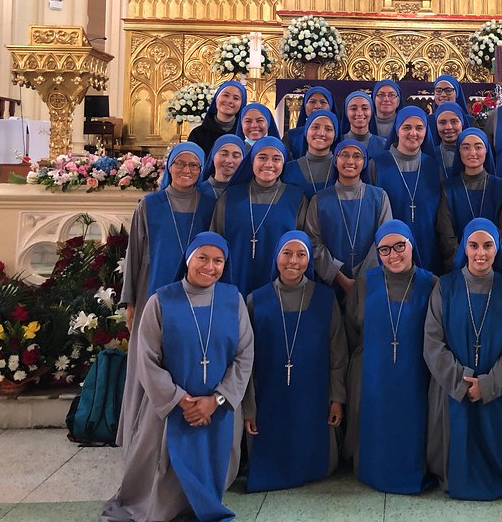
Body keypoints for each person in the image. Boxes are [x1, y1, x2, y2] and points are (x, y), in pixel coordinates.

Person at [101, 232, 253, 522]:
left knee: (212, 468)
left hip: (218, 410)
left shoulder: (233, 300)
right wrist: (180, 400)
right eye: (203, 258)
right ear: (188, 259)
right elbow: (146, 358)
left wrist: (216, 399)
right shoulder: (161, 301)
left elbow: (244, 355)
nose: (210, 266)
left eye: (218, 260)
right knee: (163, 476)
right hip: (170, 409)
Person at [118, 142, 217, 454]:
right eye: (180, 164)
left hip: (197, 295)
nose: (186, 171)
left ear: (202, 170)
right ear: (169, 166)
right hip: (153, 291)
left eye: (194, 166)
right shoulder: (149, 204)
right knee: (150, 363)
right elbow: (134, 254)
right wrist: (131, 301)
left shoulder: (209, 202)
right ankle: (142, 436)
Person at [424, 219, 502, 500]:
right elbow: (432, 342)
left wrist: (489, 383)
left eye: (488, 246)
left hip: (494, 386)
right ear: (464, 249)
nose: (481, 253)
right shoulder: (445, 286)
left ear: (497, 249)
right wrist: (461, 380)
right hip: (451, 388)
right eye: (473, 245)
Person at [243, 230, 346, 492]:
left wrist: (337, 398)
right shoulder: (256, 299)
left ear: (309, 260)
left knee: (314, 452)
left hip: (313, 394)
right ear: (275, 257)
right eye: (286, 253)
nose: (293, 261)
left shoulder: (326, 298)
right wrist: (249, 408)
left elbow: (338, 352)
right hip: (269, 394)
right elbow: (246, 360)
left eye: (301, 255)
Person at [344, 221, 437, 493]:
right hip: (375, 372)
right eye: (384, 249)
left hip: (415, 373)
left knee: (412, 427)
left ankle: (413, 472)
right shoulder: (366, 282)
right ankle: (373, 471)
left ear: (411, 246)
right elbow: (353, 325)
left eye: (399, 246)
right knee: (376, 427)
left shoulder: (431, 283)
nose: (393, 255)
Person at [211, 137, 308, 297]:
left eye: (276, 159)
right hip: (233, 280)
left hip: (281, 283)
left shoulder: (297, 198)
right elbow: (215, 242)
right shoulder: (230, 197)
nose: (269, 164)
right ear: (252, 161)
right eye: (262, 158)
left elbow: (304, 246)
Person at [305, 139, 392, 295]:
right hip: (330, 284)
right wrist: (339, 277)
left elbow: (385, 240)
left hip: (371, 284)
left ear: (365, 162)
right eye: (344, 155)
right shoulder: (319, 200)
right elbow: (313, 243)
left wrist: (362, 281)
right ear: (335, 161)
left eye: (357, 156)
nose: (350, 161)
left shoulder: (379, 197)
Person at [369, 106, 442, 273]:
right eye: (407, 127)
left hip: (429, 245)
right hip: (390, 251)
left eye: (419, 128)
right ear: (397, 130)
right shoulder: (378, 164)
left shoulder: (432, 166)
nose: (413, 133)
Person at [437, 127, 502, 265]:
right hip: (459, 268)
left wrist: (488, 260)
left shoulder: (501, 187)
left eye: (478, 147)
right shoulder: (448, 188)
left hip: (493, 266)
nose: (473, 152)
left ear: (486, 150)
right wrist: (463, 262)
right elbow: (446, 234)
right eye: (466, 147)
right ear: (459, 152)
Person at [282, 109, 339, 197]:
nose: (321, 133)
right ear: (306, 132)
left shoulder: (342, 169)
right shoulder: (288, 169)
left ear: (335, 135)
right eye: (315, 127)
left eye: (328, 129)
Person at [188, 79, 247, 156]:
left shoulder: (245, 134)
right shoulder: (198, 133)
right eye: (226, 95)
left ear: (241, 104)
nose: (230, 101)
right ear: (216, 98)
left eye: (236, 98)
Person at [285, 86, 336, 160]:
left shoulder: (339, 137)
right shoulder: (291, 136)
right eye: (312, 102)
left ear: (330, 106)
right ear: (304, 105)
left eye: (323, 102)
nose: (317, 106)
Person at [340, 90, 388, 156]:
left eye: (364, 108)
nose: (359, 113)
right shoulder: (337, 142)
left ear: (371, 112)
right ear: (346, 112)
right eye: (354, 108)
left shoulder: (384, 145)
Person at [201, 134, 246, 199]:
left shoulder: (247, 193)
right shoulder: (199, 192)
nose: (229, 160)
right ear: (213, 156)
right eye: (224, 154)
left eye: (236, 156)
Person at [431, 101, 465, 177]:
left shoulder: (474, 154)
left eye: (454, 122)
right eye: (442, 123)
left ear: (462, 123)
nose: (448, 127)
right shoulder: (431, 156)